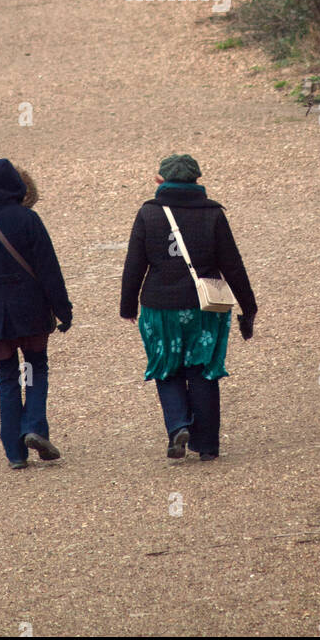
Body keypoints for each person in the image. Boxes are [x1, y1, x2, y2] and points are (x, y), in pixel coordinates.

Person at [120, 154, 256, 461]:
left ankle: (179, 425)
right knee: (203, 370)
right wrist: (248, 308)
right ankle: (207, 445)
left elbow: (134, 264)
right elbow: (233, 265)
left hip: (159, 306)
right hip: (205, 306)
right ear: (197, 181)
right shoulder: (214, 214)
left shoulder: (149, 214)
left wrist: (127, 306)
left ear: (161, 181)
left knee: (166, 368)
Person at [0, 159, 72, 470]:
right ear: (20, 187)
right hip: (31, 312)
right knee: (35, 369)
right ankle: (34, 427)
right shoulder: (29, 220)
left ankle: (15, 452)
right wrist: (64, 310)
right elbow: (49, 270)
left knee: (7, 378)